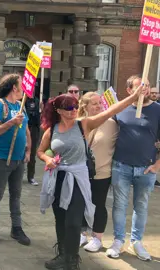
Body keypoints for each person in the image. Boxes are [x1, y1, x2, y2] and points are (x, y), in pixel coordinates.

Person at [37, 84, 144, 270]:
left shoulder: (83, 125)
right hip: (58, 179)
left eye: (76, 107)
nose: (74, 110)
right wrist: (47, 158)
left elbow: (112, 110)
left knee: (73, 221)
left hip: (78, 180)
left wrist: (134, 96)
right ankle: (62, 255)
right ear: (60, 110)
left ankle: (71, 260)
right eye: (69, 108)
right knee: (60, 219)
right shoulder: (51, 130)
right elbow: (40, 151)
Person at [106, 75, 160, 261]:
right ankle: (118, 240)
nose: (144, 90)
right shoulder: (121, 109)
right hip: (121, 166)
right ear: (129, 90)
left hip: (146, 169)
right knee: (119, 205)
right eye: (139, 87)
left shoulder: (157, 110)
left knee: (141, 206)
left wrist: (157, 165)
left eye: (146, 86)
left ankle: (136, 241)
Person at [0, 74, 31, 247]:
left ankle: (16, 228)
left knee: (16, 195)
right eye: (21, 86)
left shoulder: (21, 105)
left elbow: (26, 130)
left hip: (19, 159)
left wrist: (29, 149)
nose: (24, 89)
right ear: (14, 88)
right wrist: (11, 123)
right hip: (2, 158)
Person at [77, 92, 118, 252]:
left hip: (102, 172)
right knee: (79, 203)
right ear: (85, 106)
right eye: (94, 103)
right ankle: (82, 233)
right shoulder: (78, 122)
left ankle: (97, 237)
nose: (99, 106)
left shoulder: (112, 123)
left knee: (98, 204)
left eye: (100, 102)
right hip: (80, 172)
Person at [25, 95, 40, 186]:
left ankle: (31, 176)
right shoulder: (21, 100)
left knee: (32, 153)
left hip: (34, 128)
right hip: (23, 127)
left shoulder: (37, 100)